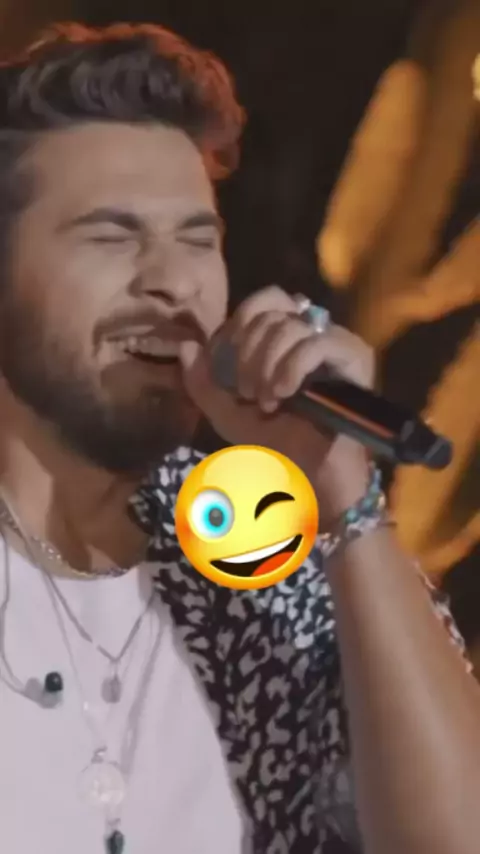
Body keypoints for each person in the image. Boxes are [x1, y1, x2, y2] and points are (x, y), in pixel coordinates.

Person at [0, 21, 478, 854]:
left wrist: (344, 494)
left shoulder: (268, 556)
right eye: (112, 236)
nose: (174, 282)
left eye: (198, 239)